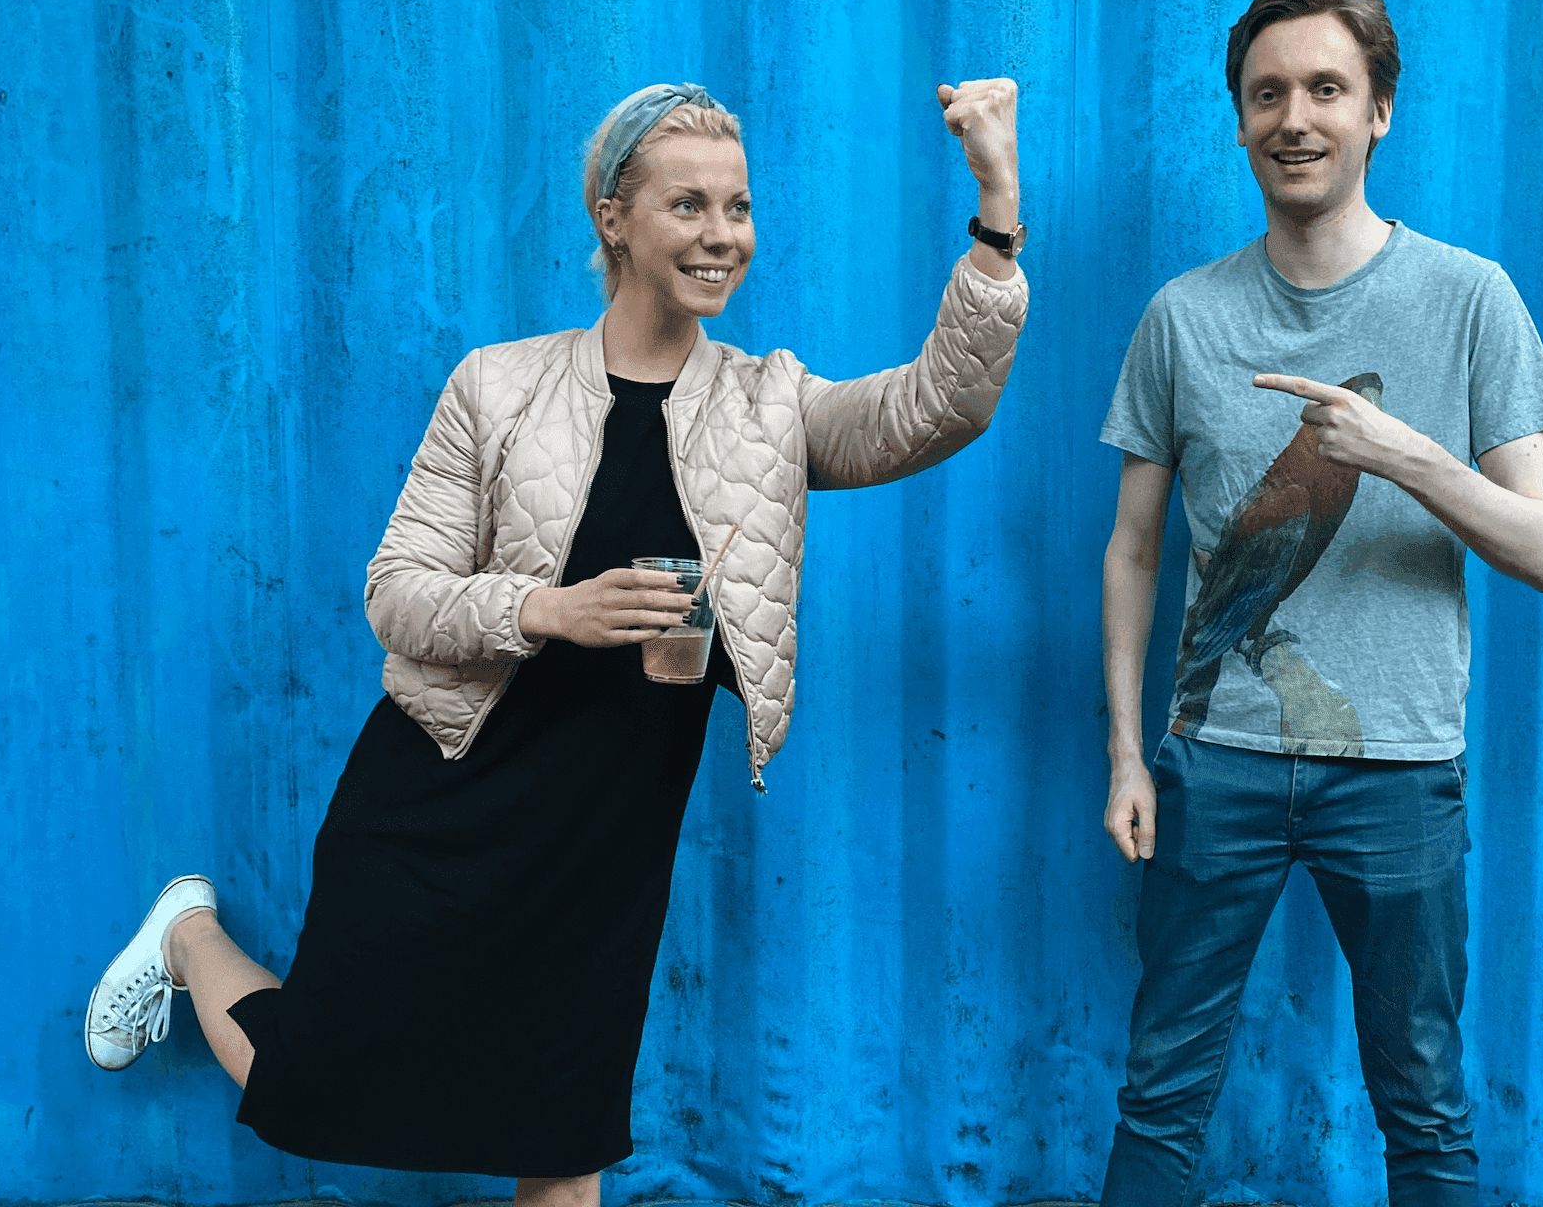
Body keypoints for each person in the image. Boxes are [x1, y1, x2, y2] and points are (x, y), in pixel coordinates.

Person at [85, 78, 1028, 1203]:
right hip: (443, 788)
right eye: (688, 205)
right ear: (612, 218)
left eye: (737, 207)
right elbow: (396, 594)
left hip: (609, 832)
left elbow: (941, 405)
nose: (722, 234)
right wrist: (551, 610)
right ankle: (188, 936)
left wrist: (995, 203)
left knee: (564, 1138)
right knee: (309, 1077)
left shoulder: (771, 407)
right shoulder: (498, 386)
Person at [1097, 0, 1543, 1207]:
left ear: (1378, 112)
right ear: (1239, 120)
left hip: (1400, 771)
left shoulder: (1469, 300)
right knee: (1160, 1093)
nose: (1294, 117)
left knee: (1424, 1104)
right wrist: (1129, 756)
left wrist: (1401, 452)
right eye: (1267, 94)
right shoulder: (1182, 317)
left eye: (1324, 88)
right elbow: (1133, 551)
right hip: (1216, 763)